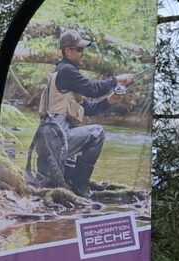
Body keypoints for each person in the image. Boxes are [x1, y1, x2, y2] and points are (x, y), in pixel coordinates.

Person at [31, 29, 134, 197]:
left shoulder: (63, 75)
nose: (82, 53)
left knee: (68, 175)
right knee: (97, 133)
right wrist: (116, 79)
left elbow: (90, 108)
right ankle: (81, 188)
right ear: (68, 50)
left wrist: (110, 100)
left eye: (83, 50)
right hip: (55, 140)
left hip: (49, 142)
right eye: (79, 49)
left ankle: (72, 181)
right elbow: (93, 89)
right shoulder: (66, 70)